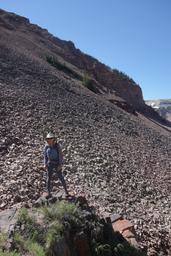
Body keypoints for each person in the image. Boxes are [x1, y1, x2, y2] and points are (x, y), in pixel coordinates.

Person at [43, 132, 69, 197]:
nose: (49, 140)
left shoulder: (57, 146)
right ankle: (48, 192)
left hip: (57, 163)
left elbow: (60, 156)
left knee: (61, 177)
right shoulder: (46, 146)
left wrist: (60, 165)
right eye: (48, 139)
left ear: (53, 139)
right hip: (50, 163)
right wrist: (45, 164)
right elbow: (45, 156)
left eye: (50, 138)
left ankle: (66, 192)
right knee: (48, 178)